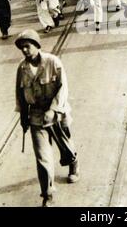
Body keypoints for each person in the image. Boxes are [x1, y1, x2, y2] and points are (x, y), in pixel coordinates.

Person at [15, 29, 79, 207]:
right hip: (36, 117)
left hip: (57, 114)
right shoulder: (22, 68)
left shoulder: (53, 62)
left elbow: (63, 88)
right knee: (43, 157)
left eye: (27, 47)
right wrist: (23, 116)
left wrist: (53, 109)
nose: (25, 51)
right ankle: (47, 194)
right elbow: (20, 94)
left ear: (36, 46)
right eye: (22, 49)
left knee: (66, 147)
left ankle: (73, 163)